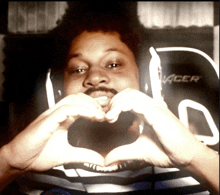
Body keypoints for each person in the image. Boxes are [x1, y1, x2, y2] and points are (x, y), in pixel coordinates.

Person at [0, 2, 219, 194]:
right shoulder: (33, 171)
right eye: (77, 69)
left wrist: (195, 158)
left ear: (145, 79)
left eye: (113, 64)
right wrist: (9, 163)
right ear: (59, 90)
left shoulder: (191, 165)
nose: (94, 77)